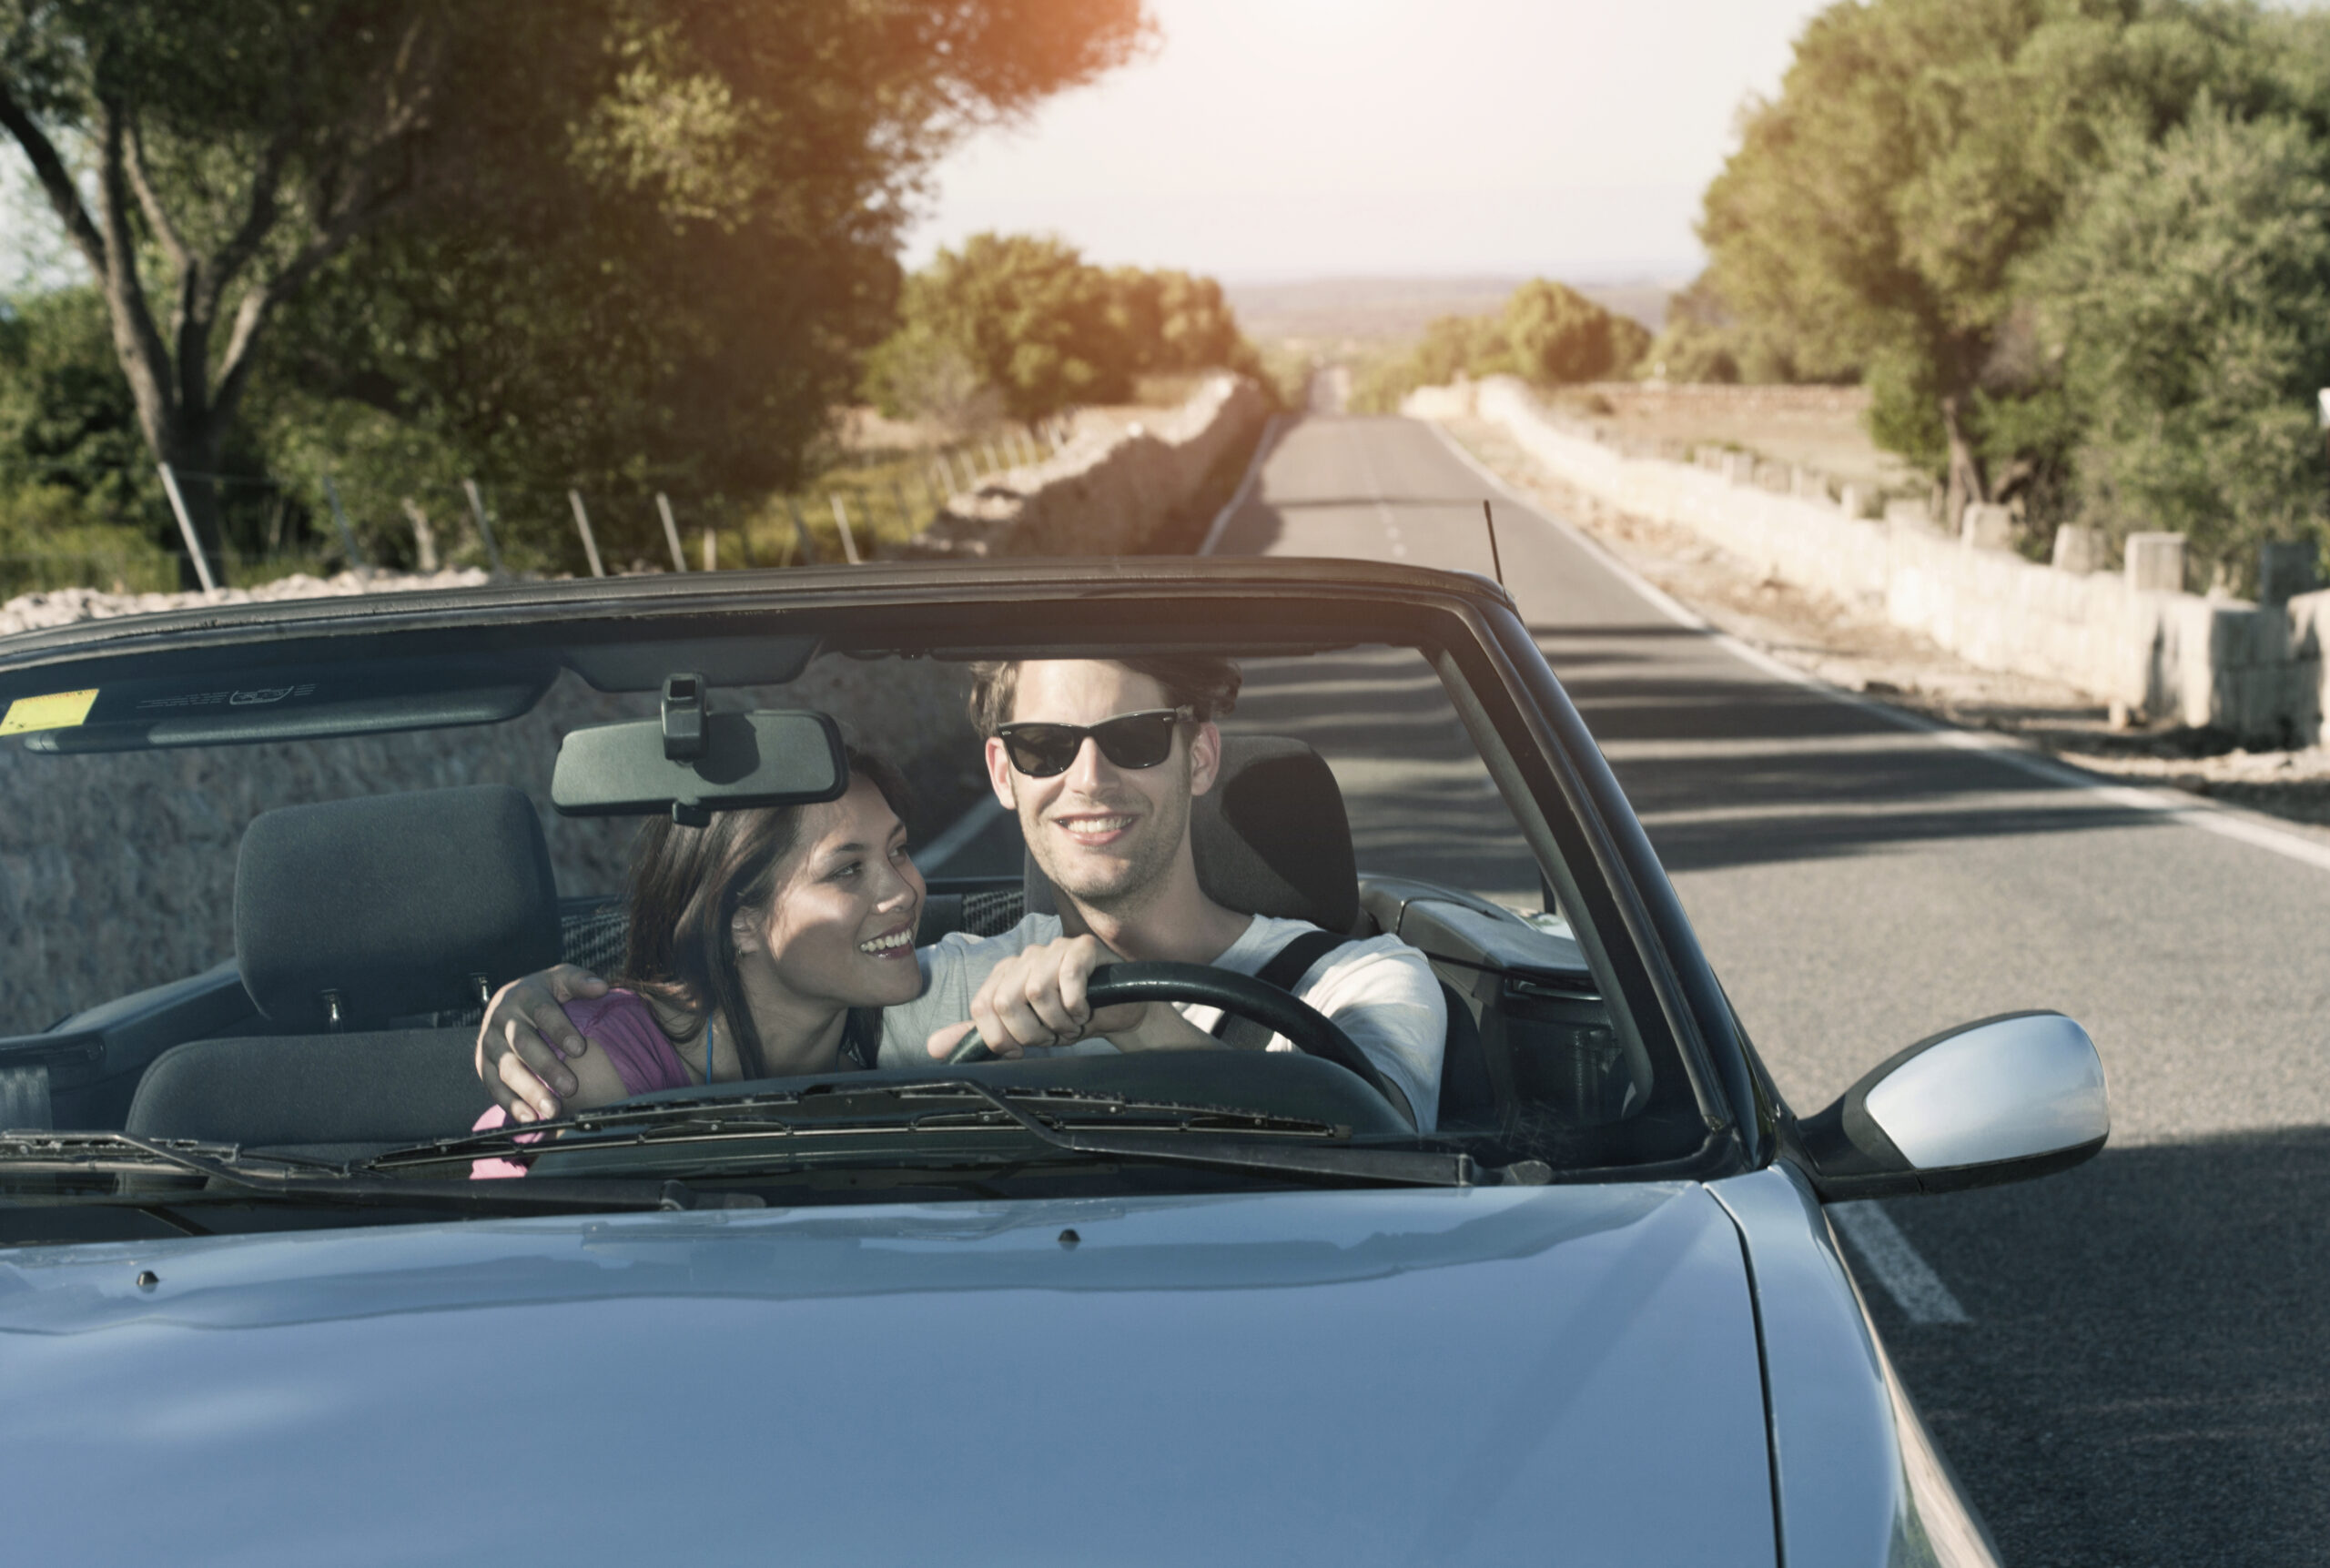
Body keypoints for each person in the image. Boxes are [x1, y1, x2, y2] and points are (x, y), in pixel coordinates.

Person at [478, 657, 1446, 1128]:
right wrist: (555, 1012)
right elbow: (745, 1013)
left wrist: (1135, 1016)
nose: (1089, 780)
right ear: (1000, 771)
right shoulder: (934, 987)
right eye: (1044, 747)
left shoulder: (1361, 982)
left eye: (1137, 739)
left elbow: (1389, 1151)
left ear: (1198, 758)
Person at [471, 751, 925, 1132]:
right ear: (739, 922)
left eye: (898, 850)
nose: (904, 891)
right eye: (846, 870)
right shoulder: (590, 1062)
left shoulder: (880, 1084)